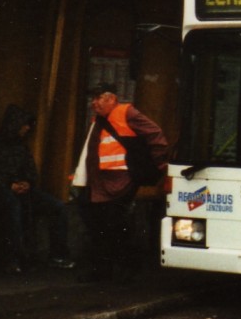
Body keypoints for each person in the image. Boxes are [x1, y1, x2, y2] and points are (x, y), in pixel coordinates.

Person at [72, 83, 169, 283]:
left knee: (112, 225)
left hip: (120, 182)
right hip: (100, 183)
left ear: (111, 99)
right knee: (102, 226)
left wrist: (159, 163)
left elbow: (155, 134)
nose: (94, 103)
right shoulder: (99, 120)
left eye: (98, 98)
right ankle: (107, 270)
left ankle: (123, 267)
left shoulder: (127, 113)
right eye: (93, 98)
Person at [0, 105, 74, 273]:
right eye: (24, 124)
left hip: (22, 189)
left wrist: (27, 182)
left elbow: (31, 170)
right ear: (15, 124)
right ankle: (15, 258)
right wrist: (8, 185)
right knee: (13, 207)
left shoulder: (21, 146)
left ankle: (58, 255)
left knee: (57, 207)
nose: (27, 128)